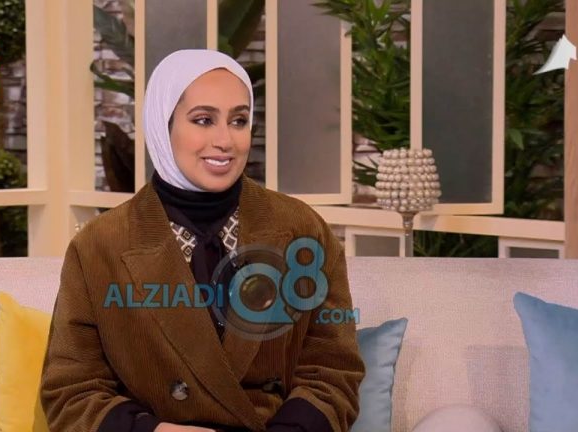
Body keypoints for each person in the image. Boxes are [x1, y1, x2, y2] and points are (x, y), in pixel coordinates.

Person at [40, 49, 365, 432]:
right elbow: (71, 391)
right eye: (203, 120)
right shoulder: (99, 245)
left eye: (239, 120)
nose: (225, 140)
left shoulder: (303, 228)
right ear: (163, 125)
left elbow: (333, 371)